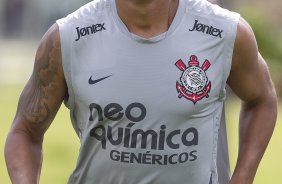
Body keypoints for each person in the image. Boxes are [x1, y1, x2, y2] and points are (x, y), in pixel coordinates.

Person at [5, 0, 277, 183]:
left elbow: (262, 99)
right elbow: (24, 131)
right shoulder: (67, 38)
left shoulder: (224, 33)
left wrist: (242, 178)